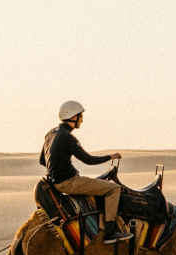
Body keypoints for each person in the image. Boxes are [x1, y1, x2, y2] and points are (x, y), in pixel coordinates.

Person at [42, 100, 127, 241]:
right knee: (113, 189)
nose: (82, 120)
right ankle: (111, 233)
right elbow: (88, 160)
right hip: (68, 182)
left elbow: (42, 160)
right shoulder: (67, 137)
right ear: (73, 117)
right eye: (80, 116)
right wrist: (111, 156)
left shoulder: (51, 133)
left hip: (56, 181)